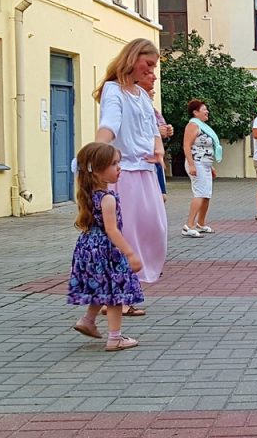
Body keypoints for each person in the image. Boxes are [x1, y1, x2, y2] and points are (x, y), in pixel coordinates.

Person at [94, 38, 167, 315]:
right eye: (148, 64)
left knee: (154, 231)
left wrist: (158, 150)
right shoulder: (114, 90)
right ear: (133, 58)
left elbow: (152, 129)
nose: (150, 71)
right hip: (123, 172)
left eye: (153, 66)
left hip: (146, 170)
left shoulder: (141, 95)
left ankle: (123, 292)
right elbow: (110, 123)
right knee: (126, 234)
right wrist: (98, 149)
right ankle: (120, 297)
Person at [68, 142, 144, 351]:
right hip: (105, 250)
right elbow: (112, 230)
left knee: (102, 287)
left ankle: (88, 320)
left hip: (87, 248)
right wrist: (130, 253)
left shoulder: (87, 194)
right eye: (114, 164)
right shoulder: (107, 198)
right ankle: (115, 338)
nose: (119, 167)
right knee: (115, 293)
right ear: (98, 170)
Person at [182, 99, 220, 237]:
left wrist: (211, 166)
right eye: (204, 109)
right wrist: (191, 164)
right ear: (195, 112)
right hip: (196, 163)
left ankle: (201, 223)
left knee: (206, 194)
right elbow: (187, 146)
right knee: (199, 193)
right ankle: (188, 225)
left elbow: (207, 148)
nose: (207, 111)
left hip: (206, 164)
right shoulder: (192, 125)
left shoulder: (203, 126)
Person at [137, 76, 172, 202]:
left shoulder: (153, 111)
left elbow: (159, 136)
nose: (153, 91)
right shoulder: (133, 107)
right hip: (140, 162)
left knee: (160, 198)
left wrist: (166, 133)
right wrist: (157, 132)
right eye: (149, 89)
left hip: (155, 161)